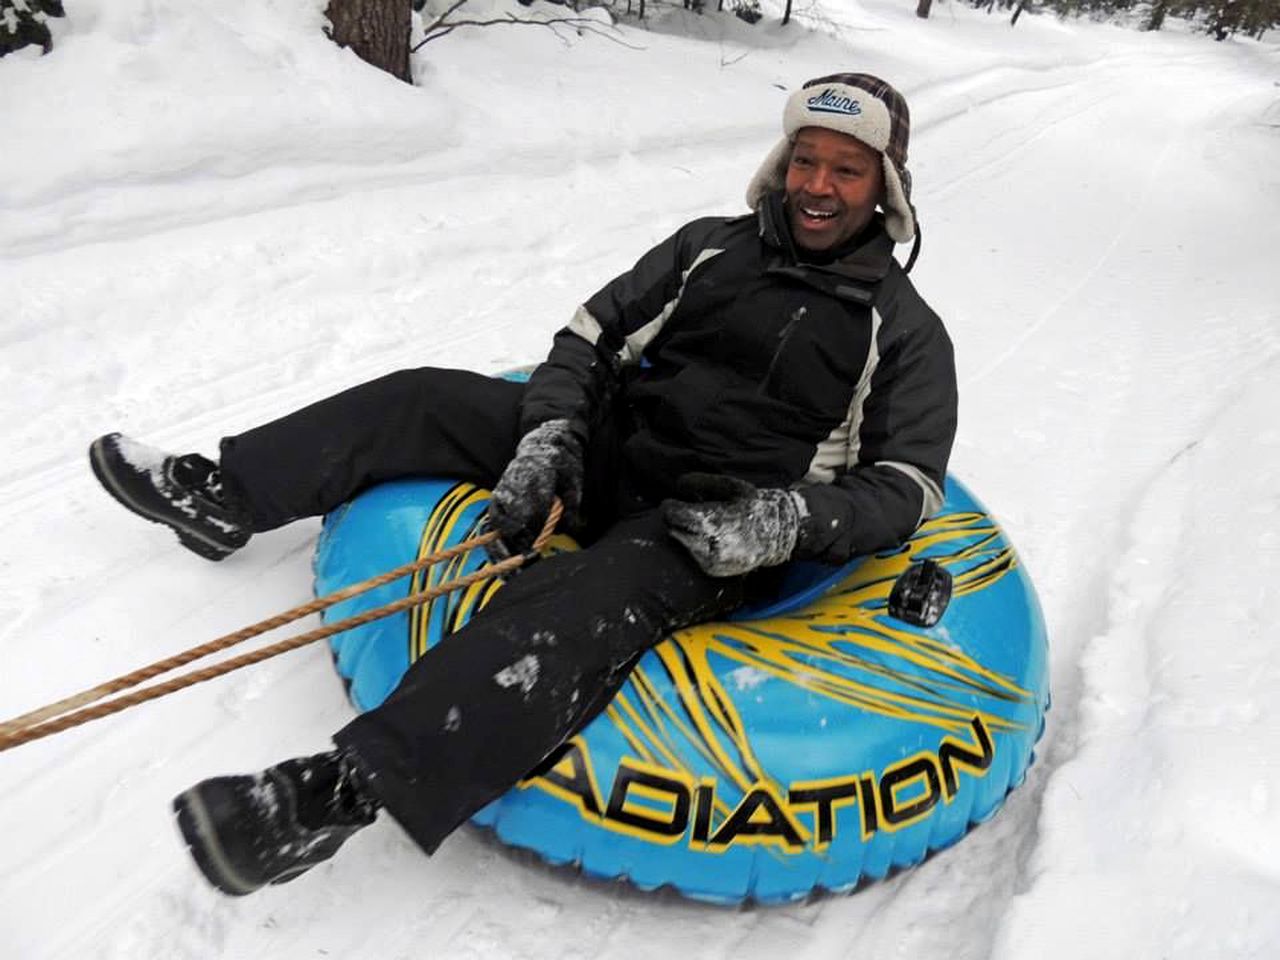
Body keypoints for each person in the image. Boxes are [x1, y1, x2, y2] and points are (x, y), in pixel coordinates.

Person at [89, 73, 957, 897]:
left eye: (846, 170)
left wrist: (783, 521)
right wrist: (552, 434)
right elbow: (589, 337)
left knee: (580, 599)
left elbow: (909, 484)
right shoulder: (709, 248)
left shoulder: (904, 330)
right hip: (617, 449)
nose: (817, 186)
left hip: (716, 527)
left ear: (884, 186)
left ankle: (331, 798)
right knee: (425, 397)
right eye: (805, 160)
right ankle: (226, 497)